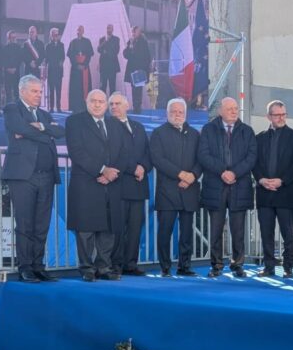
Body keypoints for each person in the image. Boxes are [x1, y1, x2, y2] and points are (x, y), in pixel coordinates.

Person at [2, 75, 65, 283]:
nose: (39, 95)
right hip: (22, 177)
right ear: (22, 91)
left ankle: (39, 266)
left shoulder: (45, 115)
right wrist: (43, 131)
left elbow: (59, 131)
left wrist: (40, 128)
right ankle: (25, 267)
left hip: (46, 177)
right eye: (34, 91)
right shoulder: (12, 109)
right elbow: (19, 129)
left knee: (41, 224)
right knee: (25, 224)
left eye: (40, 91)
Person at [65, 89, 128, 281]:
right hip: (86, 182)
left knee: (108, 228)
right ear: (87, 102)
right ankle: (87, 268)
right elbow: (76, 151)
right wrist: (102, 170)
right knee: (86, 228)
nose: (98, 104)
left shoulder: (115, 124)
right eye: (94, 101)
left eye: (102, 101)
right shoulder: (75, 122)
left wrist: (112, 173)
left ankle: (104, 267)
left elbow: (124, 152)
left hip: (110, 183)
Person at [198, 97, 257, 278]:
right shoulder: (208, 130)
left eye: (236, 108)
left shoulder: (247, 131)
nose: (234, 111)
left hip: (239, 186)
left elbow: (252, 156)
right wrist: (222, 171)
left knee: (238, 229)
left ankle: (237, 264)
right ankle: (216, 265)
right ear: (220, 111)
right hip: (215, 185)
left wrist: (234, 173)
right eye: (229, 108)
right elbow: (203, 155)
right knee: (215, 229)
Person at [150, 98, 201, 276]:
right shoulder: (158, 133)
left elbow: (200, 160)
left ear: (185, 114)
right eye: (174, 111)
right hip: (167, 191)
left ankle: (184, 266)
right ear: (167, 113)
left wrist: (192, 176)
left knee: (187, 232)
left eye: (180, 112)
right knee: (165, 231)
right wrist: (181, 174)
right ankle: (165, 267)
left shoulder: (195, 134)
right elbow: (158, 159)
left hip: (189, 189)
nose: (177, 115)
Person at [253, 100, 293, 278]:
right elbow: (254, 163)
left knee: (288, 232)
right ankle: (269, 266)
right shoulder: (259, 138)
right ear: (268, 117)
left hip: (286, 192)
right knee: (266, 232)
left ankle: (288, 267)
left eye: (283, 114)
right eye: (277, 115)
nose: (281, 118)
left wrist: (282, 180)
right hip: (264, 193)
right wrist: (261, 179)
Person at [108, 92, 151, 276]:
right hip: (119, 184)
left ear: (127, 105)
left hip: (138, 185)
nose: (114, 107)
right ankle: (115, 264)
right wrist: (133, 168)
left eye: (118, 103)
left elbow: (148, 152)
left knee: (135, 227)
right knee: (117, 227)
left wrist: (143, 167)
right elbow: (115, 155)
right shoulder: (108, 127)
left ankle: (130, 263)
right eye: (111, 104)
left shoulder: (138, 127)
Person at [123, 26, 151, 114]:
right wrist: (130, 46)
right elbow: (126, 54)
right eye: (133, 32)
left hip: (140, 69)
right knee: (133, 88)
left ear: (139, 32)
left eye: (135, 32)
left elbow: (147, 56)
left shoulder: (143, 41)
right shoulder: (131, 42)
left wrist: (144, 68)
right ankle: (135, 106)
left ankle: (138, 107)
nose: (133, 34)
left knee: (138, 88)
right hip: (132, 69)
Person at [67, 25, 93, 113]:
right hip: (75, 69)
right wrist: (76, 64)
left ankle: (85, 106)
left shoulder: (87, 41)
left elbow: (89, 55)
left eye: (81, 30)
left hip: (85, 68)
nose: (79, 31)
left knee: (85, 87)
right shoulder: (73, 42)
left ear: (83, 31)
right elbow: (70, 55)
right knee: (76, 88)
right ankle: (75, 106)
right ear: (76, 31)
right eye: (78, 30)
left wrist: (84, 65)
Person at [45, 28, 65, 113]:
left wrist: (61, 61)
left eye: (56, 35)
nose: (55, 36)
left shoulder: (61, 45)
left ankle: (59, 107)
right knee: (51, 90)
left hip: (59, 71)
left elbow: (63, 56)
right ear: (51, 36)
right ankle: (52, 107)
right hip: (51, 70)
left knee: (58, 90)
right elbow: (46, 58)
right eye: (53, 35)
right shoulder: (48, 46)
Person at [98, 24, 120, 95]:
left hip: (112, 66)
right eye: (107, 28)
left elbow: (116, 51)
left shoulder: (116, 39)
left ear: (112, 30)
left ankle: (112, 104)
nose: (108, 30)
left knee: (112, 86)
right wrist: (104, 42)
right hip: (104, 66)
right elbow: (99, 49)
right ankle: (103, 104)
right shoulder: (102, 39)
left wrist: (106, 52)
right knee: (102, 86)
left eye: (110, 28)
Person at [1, 31, 22, 107]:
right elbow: (3, 60)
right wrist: (7, 68)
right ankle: (9, 109)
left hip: (16, 72)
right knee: (8, 92)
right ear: (8, 38)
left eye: (14, 37)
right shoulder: (4, 48)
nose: (13, 39)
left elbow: (20, 59)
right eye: (11, 37)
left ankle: (17, 109)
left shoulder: (18, 47)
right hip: (7, 73)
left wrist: (15, 68)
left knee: (16, 92)